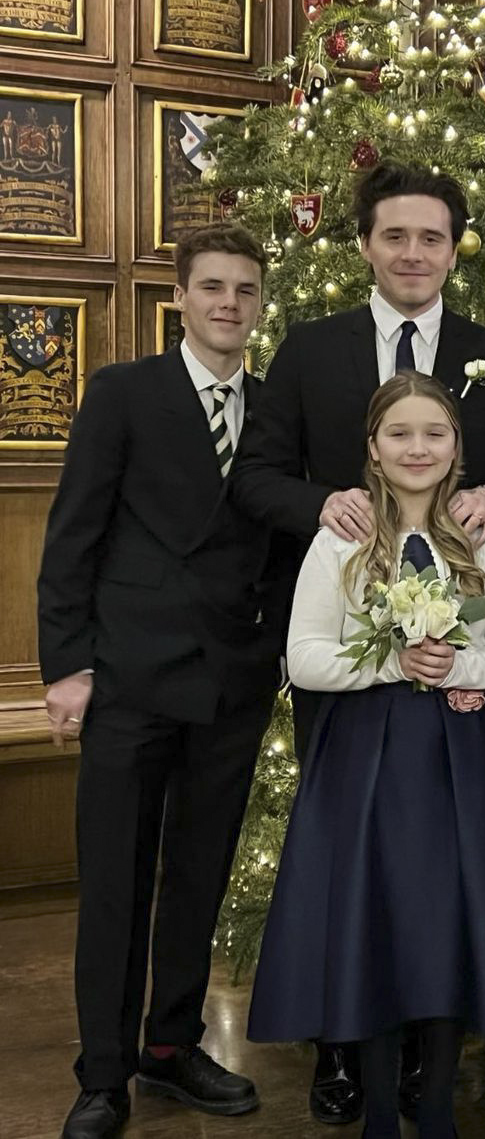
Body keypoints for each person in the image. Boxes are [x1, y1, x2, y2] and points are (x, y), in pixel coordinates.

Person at [230, 160, 485, 1124]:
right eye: (395, 235)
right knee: (352, 861)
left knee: (438, 872)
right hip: (350, 654)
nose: (414, 252)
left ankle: (424, 1063)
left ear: (455, 249)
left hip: (457, 658)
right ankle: (343, 1052)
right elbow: (257, 476)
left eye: (431, 237)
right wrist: (326, 509)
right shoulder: (311, 347)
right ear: (365, 243)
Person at [246, 371, 485, 1139]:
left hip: (464, 756)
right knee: (378, 923)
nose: (418, 448)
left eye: (434, 433)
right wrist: (391, 661)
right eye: (400, 434)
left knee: (449, 922)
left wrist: (461, 667)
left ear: (456, 446)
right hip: (368, 758)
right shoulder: (341, 539)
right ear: (374, 448)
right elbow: (304, 657)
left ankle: (438, 1106)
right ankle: (380, 1114)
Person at [37, 224, 288, 1139]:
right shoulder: (124, 392)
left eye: (245, 289)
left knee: (198, 875)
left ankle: (172, 1047)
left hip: (232, 682)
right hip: (127, 680)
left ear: (260, 303)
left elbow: (286, 541)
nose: (229, 303)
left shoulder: (276, 409)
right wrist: (67, 666)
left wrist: (275, 654)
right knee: (115, 881)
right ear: (179, 297)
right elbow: (74, 534)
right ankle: (103, 1074)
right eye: (212, 286)